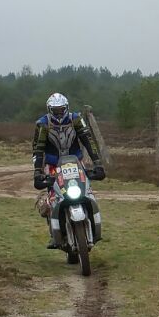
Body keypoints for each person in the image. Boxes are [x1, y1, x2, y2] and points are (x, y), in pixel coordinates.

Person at [31, 93, 105, 248]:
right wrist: (37, 172)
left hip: (76, 162)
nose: (59, 113)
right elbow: (38, 149)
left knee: (86, 190)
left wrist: (98, 164)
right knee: (53, 196)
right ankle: (54, 231)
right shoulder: (43, 124)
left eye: (61, 109)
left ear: (66, 108)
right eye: (55, 110)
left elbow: (88, 141)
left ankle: (94, 223)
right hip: (53, 165)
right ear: (50, 110)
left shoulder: (76, 119)